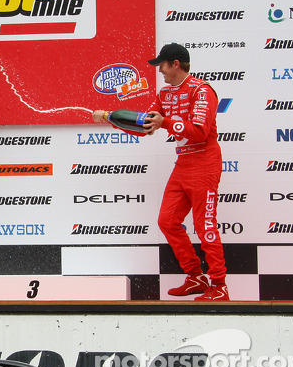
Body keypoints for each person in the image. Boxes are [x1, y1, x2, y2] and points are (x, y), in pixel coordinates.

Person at [92, 43, 228, 301]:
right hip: (184, 164)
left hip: (205, 161)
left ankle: (219, 286)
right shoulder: (165, 93)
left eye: (162, 65)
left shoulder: (203, 90)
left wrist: (165, 122)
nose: (160, 71)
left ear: (176, 64)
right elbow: (146, 126)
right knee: (167, 221)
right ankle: (196, 277)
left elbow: (199, 131)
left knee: (204, 224)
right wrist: (111, 118)